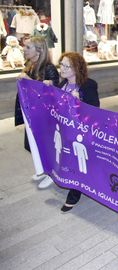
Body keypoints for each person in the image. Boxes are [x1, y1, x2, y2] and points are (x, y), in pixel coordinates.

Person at [56, 52, 100, 210]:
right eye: (61, 64)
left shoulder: (88, 85)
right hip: (65, 130)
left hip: (81, 132)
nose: (62, 68)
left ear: (76, 68)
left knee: (78, 163)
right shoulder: (62, 84)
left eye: (66, 66)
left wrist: (80, 102)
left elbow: (95, 110)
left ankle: (74, 194)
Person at [14, 36, 59, 187]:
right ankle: (42, 169)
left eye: (28, 47)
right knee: (33, 143)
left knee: (47, 145)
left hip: (45, 116)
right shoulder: (30, 65)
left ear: (38, 50)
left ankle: (52, 173)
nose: (24, 50)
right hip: (32, 112)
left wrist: (27, 80)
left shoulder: (49, 68)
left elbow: (53, 94)